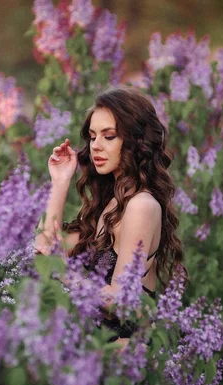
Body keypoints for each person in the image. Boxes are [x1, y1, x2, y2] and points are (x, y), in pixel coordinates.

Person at [34, 87, 186, 347]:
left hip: (119, 357)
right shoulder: (109, 203)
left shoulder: (141, 205)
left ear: (136, 141)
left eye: (109, 136)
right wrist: (60, 181)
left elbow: (123, 300)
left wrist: (65, 274)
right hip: (88, 348)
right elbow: (45, 246)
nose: (96, 146)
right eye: (92, 137)